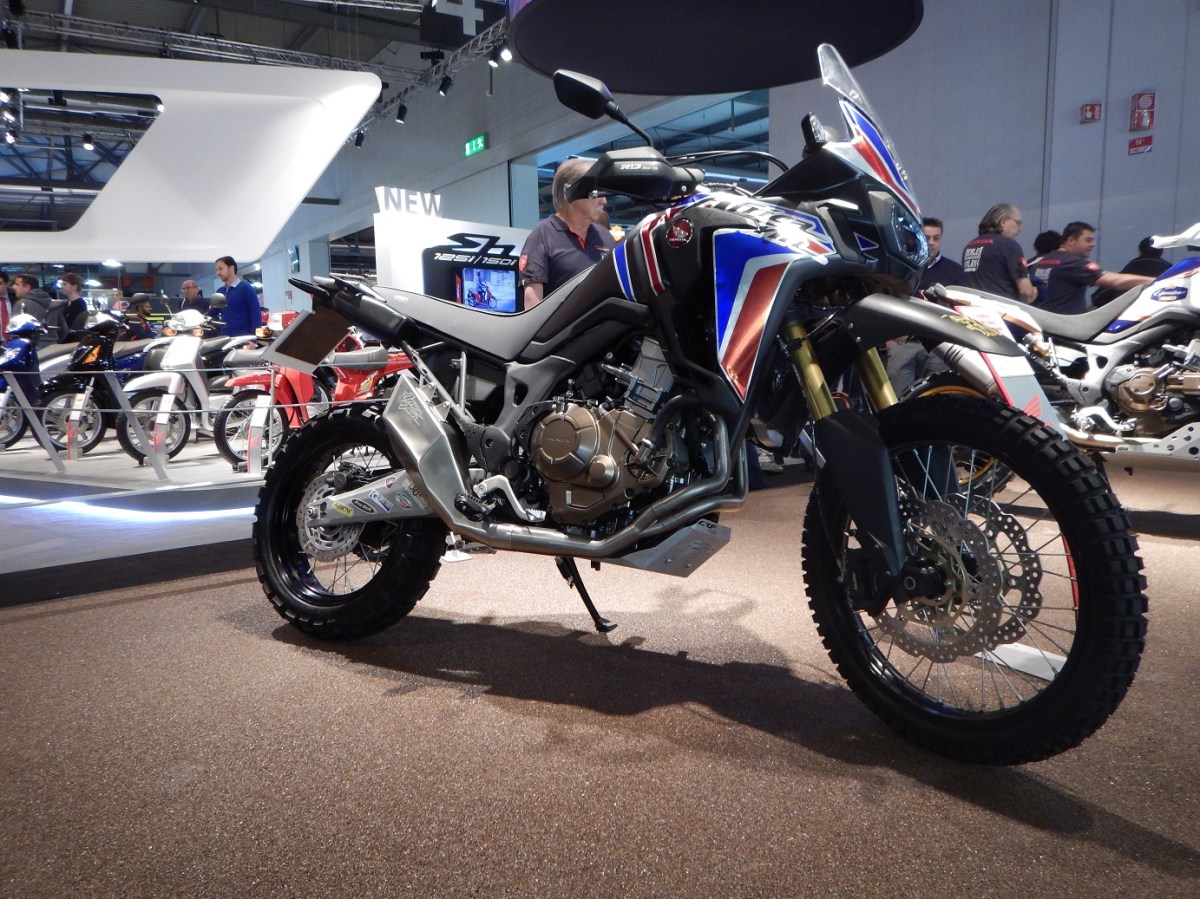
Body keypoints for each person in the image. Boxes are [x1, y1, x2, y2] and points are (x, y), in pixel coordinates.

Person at [518, 157, 615, 309]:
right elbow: (532, 304)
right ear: (571, 193)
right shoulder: (542, 236)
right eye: (596, 193)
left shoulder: (605, 237)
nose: (604, 201)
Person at [1028, 222, 1153, 315]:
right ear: (1071, 240)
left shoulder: (1040, 263)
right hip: (1065, 330)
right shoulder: (1072, 263)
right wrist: (1157, 280)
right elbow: (1116, 281)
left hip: (1042, 326)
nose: (1093, 244)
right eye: (1088, 240)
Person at [961, 203, 1036, 302]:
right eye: (1018, 223)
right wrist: (1032, 292)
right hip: (1001, 307)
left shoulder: (970, 245)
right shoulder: (1009, 245)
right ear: (1003, 222)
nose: (1020, 229)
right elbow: (1025, 291)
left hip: (973, 306)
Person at [1091, 236, 1173, 306]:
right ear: (1161, 253)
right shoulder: (1171, 272)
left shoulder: (1130, 268)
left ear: (1139, 251)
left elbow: (1097, 298)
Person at [214, 256, 262, 337]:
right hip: (225, 339)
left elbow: (256, 315)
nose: (217, 273)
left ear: (231, 268)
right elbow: (211, 313)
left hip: (243, 339)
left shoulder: (246, 288)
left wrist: (253, 338)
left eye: (220, 269)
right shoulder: (220, 292)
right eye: (216, 270)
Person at [916, 216, 966, 293]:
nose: (931, 243)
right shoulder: (907, 267)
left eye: (936, 238)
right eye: (926, 238)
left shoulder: (956, 271)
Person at [57, 272, 90, 340]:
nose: (62, 287)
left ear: (74, 286)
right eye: (62, 284)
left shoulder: (80, 304)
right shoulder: (66, 304)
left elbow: (76, 325)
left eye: (64, 284)